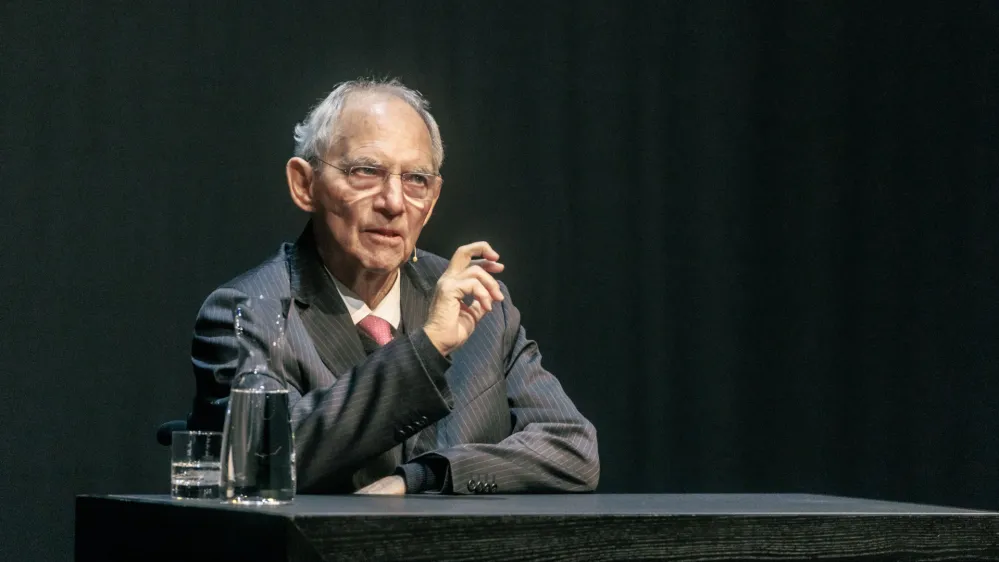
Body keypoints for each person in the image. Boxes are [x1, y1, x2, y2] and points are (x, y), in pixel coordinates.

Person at [188, 79, 599, 495]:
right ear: (304, 184)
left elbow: (572, 448)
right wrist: (428, 347)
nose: (394, 202)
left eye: (416, 179)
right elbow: (264, 459)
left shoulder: (482, 305)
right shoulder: (247, 312)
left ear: (432, 199)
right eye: (366, 172)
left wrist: (428, 475)